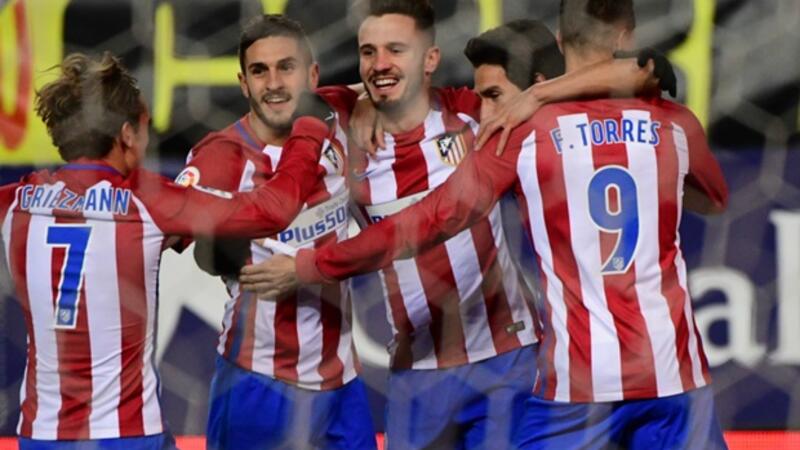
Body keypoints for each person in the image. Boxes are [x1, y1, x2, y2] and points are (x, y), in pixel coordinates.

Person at [248, 0, 730, 448]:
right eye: (369, 53)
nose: (381, 63)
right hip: (665, 373)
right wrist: (368, 98)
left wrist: (312, 264)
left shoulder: (504, 125)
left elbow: (434, 217)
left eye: (396, 50)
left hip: (541, 372)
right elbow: (711, 196)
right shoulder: (676, 124)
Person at [0, 51, 335, 450]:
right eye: (145, 129)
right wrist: (308, 130)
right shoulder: (147, 202)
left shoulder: (16, 202)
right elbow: (271, 211)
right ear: (127, 134)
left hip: (40, 436)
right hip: (128, 436)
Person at [175, 15, 376, 450]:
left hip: (343, 383)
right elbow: (162, 233)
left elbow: (383, 89)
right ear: (243, 83)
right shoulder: (220, 157)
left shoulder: (335, 123)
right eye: (259, 71)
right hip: (258, 383)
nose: (274, 84)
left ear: (313, 75)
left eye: (287, 67)